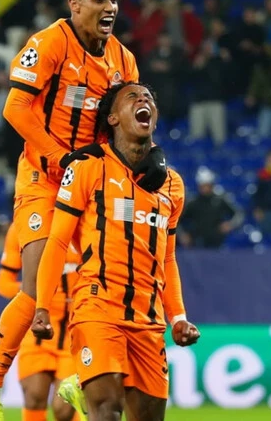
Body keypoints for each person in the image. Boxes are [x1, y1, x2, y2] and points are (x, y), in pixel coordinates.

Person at [0, 0, 168, 421]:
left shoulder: (123, 60)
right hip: (43, 176)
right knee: (36, 286)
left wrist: (149, 156)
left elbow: (125, 121)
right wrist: (61, 157)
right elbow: (15, 108)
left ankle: (81, 374)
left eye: (114, 0)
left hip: (90, 182)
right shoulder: (50, 42)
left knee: (106, 283)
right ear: (75, 4)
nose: (110, 8)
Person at [32, 82, 199, 421]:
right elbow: (59, 241)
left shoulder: (173, 185)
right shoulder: (87, 167)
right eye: (133, 97)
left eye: (149, 98)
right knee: (107, 410)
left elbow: (167, 257)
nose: (144, 101)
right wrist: (42, 305)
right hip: (98, 307)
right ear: (112, 118)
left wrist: (177, 316)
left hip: (149, 321)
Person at [0, 222, 79, 421]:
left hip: (75, 332)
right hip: (37, 330)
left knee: (64, 408)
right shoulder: (21, 226)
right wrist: (35, 291)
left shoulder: (84, 220)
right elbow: (3, 283)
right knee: (33, 396)